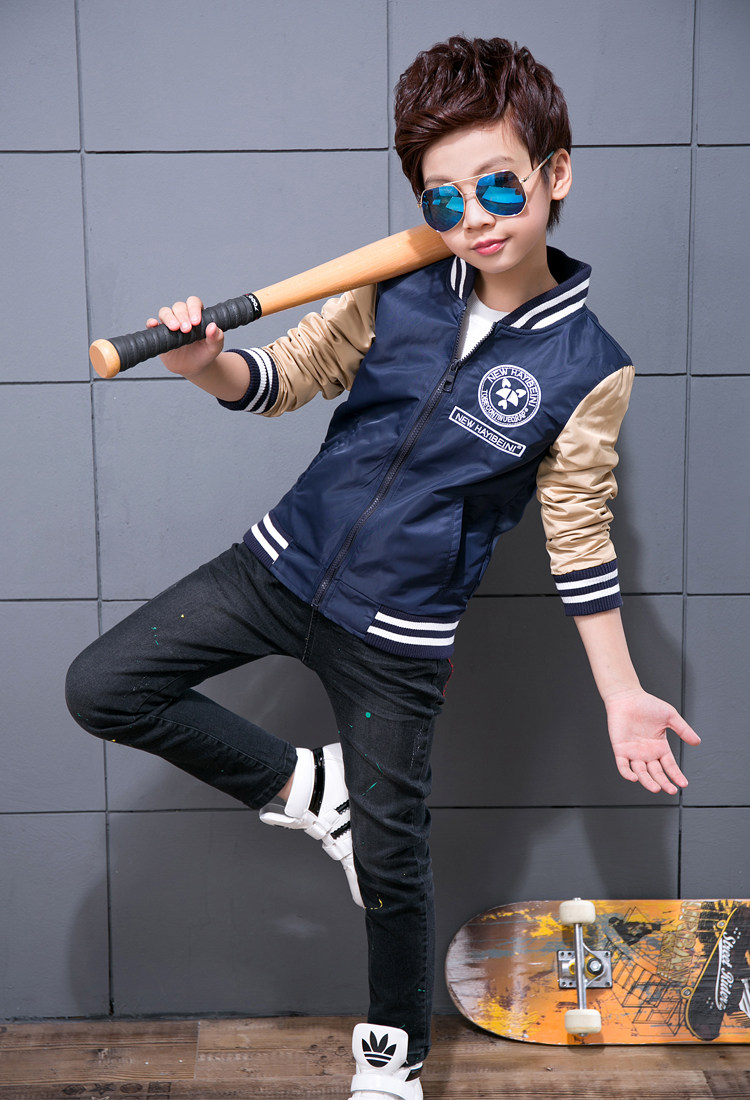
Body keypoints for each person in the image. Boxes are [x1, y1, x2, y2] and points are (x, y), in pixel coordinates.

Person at [66, 35, 700, 1100]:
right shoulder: (398, 281)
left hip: (397, 637)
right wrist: (202, 364)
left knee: (393, 859)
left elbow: (579, 535)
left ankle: (391, 1062)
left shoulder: (590, 367)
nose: (476, 217)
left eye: (501, 184)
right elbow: (283, 376)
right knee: (103, 685)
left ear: (556, 173)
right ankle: (307, 788)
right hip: (280, 565)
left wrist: (622, 690)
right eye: (445, 199)